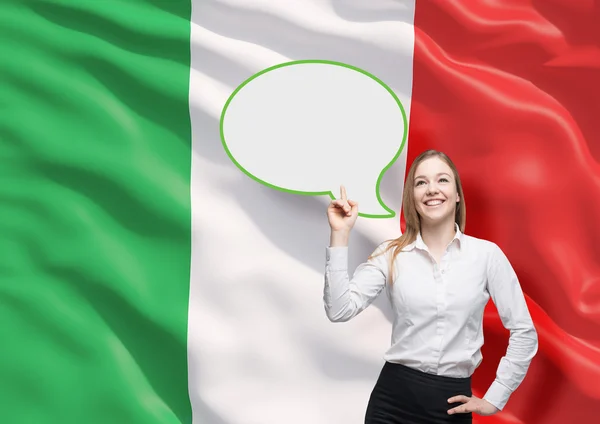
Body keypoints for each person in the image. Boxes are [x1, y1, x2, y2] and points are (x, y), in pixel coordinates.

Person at [323, 149, 538, 423]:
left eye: (442, 180)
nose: (431, 189)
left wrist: (496, 397)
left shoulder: (487, 256)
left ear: (458, 194)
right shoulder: (391, 253)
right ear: (412, 197)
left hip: (450, 407)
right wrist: (340, 235)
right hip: (391, 402)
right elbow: (339, 310)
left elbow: (524, 331)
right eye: (421, 182)